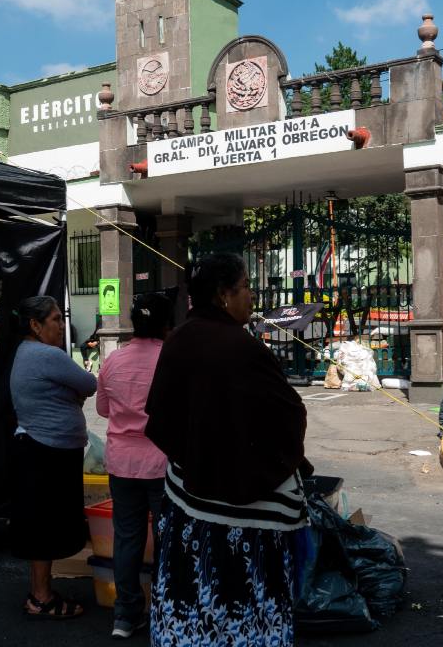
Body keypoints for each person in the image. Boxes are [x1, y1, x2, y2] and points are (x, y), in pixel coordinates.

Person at [144, 253, 310, 646]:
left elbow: (162, 416)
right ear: (223, 296)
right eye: (246, 287)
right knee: (244, 604)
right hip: (245, 523)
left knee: (190, 596)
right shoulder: (241, 347)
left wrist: (200, 456)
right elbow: (286, 415)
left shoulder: (180, 338)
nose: (252, 296)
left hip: (186, 502)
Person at [8, 295, 97, 619]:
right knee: (44, 526)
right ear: (36, 324)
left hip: (39, 448)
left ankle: (38, 594)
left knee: (38, 525)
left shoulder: (26, 352)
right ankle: (42, 598)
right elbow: (89, 383)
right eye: (56, 319)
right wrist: (72, 393)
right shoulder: (47, 355)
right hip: (47, 451)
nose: (62, 325)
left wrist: (70, 392)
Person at [95, 292, 173, 639]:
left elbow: (101, 409)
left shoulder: (112, 361)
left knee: (127, 538)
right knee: (168, 538)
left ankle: (125, 615)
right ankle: (167, 610)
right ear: (167, 324)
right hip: (160, 463)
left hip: (121, 463)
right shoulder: (171, 360)